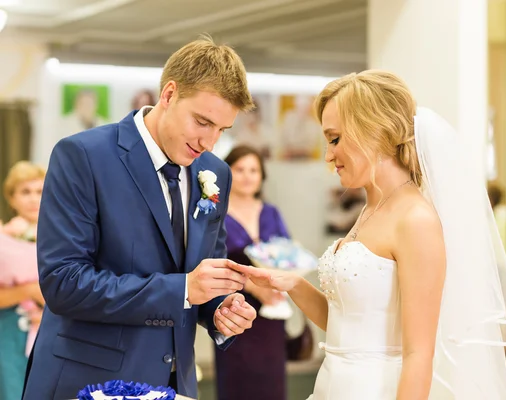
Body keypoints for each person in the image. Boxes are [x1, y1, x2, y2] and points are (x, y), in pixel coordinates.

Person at [248, 70, 506, 399]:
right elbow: (347, 325)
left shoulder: (415, 220)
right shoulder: (370, 210)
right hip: (331, 385)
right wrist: (293, 284)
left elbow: (419, 354)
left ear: (377, 132)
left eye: (335, 139)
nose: (328, 156)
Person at [22, 37, 271, 400]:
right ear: (169, 94)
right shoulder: (83, 156)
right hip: (89, 382)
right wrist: (185, 289)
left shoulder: (216, 172)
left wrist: (219, 308)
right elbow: (64, 283)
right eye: (202, 122)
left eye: (222, 130)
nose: (210, 142)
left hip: (176, 384)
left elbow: (202, 275)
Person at [213, 145, 290, 400]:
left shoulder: (271, 212)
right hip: (234, 309)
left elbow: (287, 254)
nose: (247, 176)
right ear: (228, 173)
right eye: (240, 169)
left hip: (271, 312)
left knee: (271, 381)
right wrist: (253, 286)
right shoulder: (216, 214)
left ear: (262, 176)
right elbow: (212, 260)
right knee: (238, 381)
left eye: (254, 170)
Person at [0, 161, 45, 400]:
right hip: (10, 330)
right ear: (11, 198)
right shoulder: (3, 239)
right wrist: (29, 290)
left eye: (39, 191)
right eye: (25, 192)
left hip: (51, 330)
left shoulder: (65, 237)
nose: (33, 199)